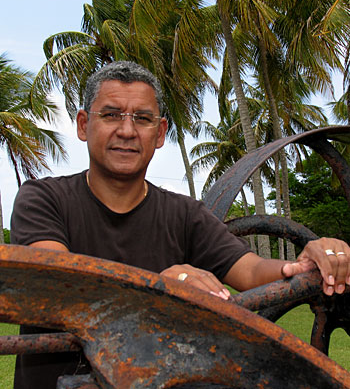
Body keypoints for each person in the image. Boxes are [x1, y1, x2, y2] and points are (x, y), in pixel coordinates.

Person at [10, 61, 350, 389]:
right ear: (84, 124)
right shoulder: (42, 199)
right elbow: (58, 284)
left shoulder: (185, 214)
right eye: (111, 115)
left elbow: (251, 270)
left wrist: (304, 263)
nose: (126, 131)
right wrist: (161, 292)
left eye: (142, 119)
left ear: (159, 133)